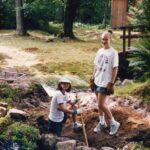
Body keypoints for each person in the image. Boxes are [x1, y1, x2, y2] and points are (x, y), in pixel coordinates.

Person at [92, 30, 120, 135]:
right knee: (99, 105)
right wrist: (92, 77)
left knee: (101, 104)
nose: (104, 41)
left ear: (110, 39)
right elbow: (96, 65)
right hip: (97, 80)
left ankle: (114, 123)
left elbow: (115, 68)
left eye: (106, 39)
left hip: (105, 82)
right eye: (102, 39)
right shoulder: (100, 51)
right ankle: (102, 122)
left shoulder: (114, 53)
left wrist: (111, 83)